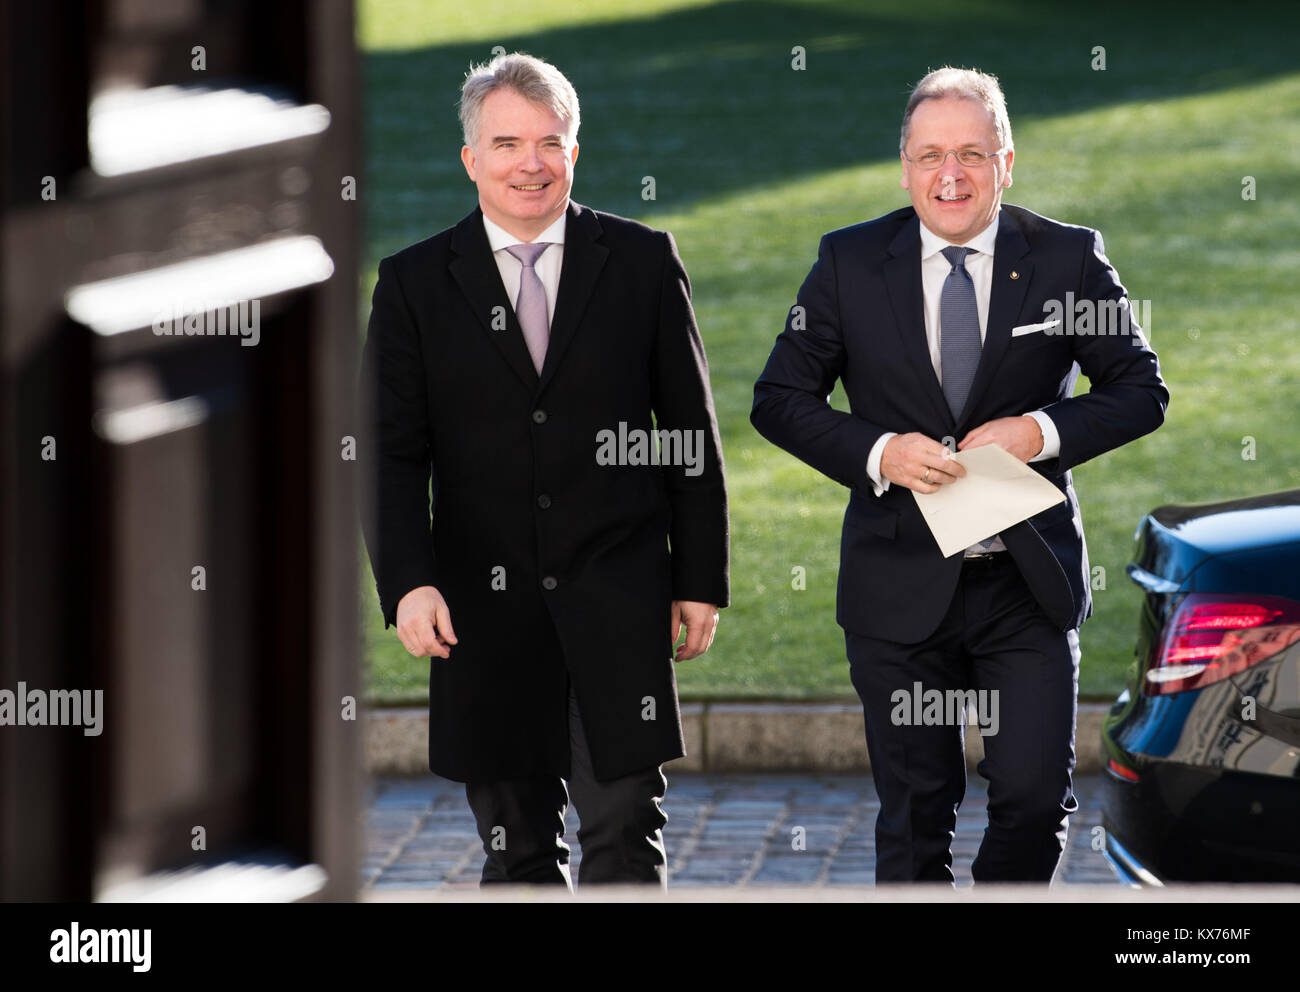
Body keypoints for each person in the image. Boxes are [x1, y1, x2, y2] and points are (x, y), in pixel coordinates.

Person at [750, 67, 1168, 883]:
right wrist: (880, 454)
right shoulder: (849, 262)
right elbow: (779, 399)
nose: (951, 175)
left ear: (1006, 162)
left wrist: (1037, 432)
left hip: (1026, 583)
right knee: (914, 814)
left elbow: (1140, 391)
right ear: (904, 166)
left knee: (1035, 797)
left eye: (973, 154)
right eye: (931, 154)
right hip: (897, 585)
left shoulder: (1067, 258)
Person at [358, 52, 729, 888]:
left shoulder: (641, 262)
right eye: (508, 143)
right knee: (515, 851)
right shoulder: (413, 284)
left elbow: (689, 437)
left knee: (627, 828)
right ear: (471, 160)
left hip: (620, 596)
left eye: (549, 142)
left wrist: (698, 577)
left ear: (575, 151)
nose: (530, 162)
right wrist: (408, 584)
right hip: (480, 615)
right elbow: (387, 453)